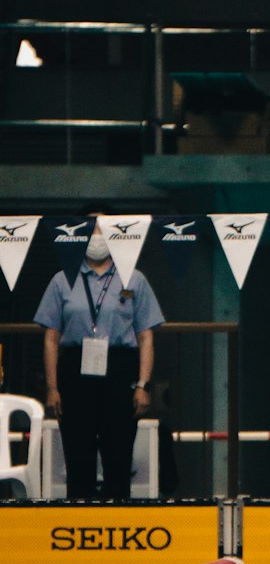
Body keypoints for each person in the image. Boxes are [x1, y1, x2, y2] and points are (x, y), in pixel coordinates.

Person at [34, 214, 164, 500]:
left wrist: (143, 384)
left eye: (103, 230)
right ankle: (79, 519)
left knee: (118, 450)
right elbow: (51, 338)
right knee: (78, 450)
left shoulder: (134, 279)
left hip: (120, 368)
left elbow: (146, 336)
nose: (97, 237)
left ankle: (117, 519)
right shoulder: (62, 279)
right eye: (92, 230)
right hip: (75, 368)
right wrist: (53, 388)